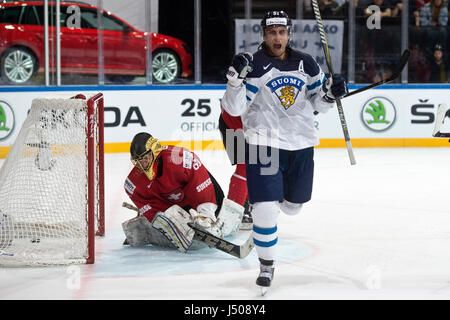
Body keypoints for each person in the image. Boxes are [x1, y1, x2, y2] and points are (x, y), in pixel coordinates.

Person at [221, 11, 348, 291]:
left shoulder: (306, 63)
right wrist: (234, 82)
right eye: (271, 32)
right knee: (265, 210)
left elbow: (318, 104)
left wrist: (331, 94)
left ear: (289, 33)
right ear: (264, 35)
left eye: (281, 32)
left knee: (293, 207)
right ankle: (266, 265)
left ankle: (273, 205)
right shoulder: (253, 65)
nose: (276, 37)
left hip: (301, 145)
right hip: (263, 145)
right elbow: (234, 109)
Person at [122, 132, 244, 252]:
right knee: (171, 227)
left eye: (145, 158)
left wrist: (206, 213)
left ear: (154, 151)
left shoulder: (179, 159)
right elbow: (153, 209)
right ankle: (146, 229)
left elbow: (200, 183)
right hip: (176, 204)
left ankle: (217, 217)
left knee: (219, 223)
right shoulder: (133, 184)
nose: (142, 164)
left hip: (202, 195)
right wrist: (169, 222)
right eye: (137, 161)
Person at [218, 106, 252, 230]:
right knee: (245, 166)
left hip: (245, 124)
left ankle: (245, 205)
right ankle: (232, 213)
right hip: (234, 124)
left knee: (254, 166)